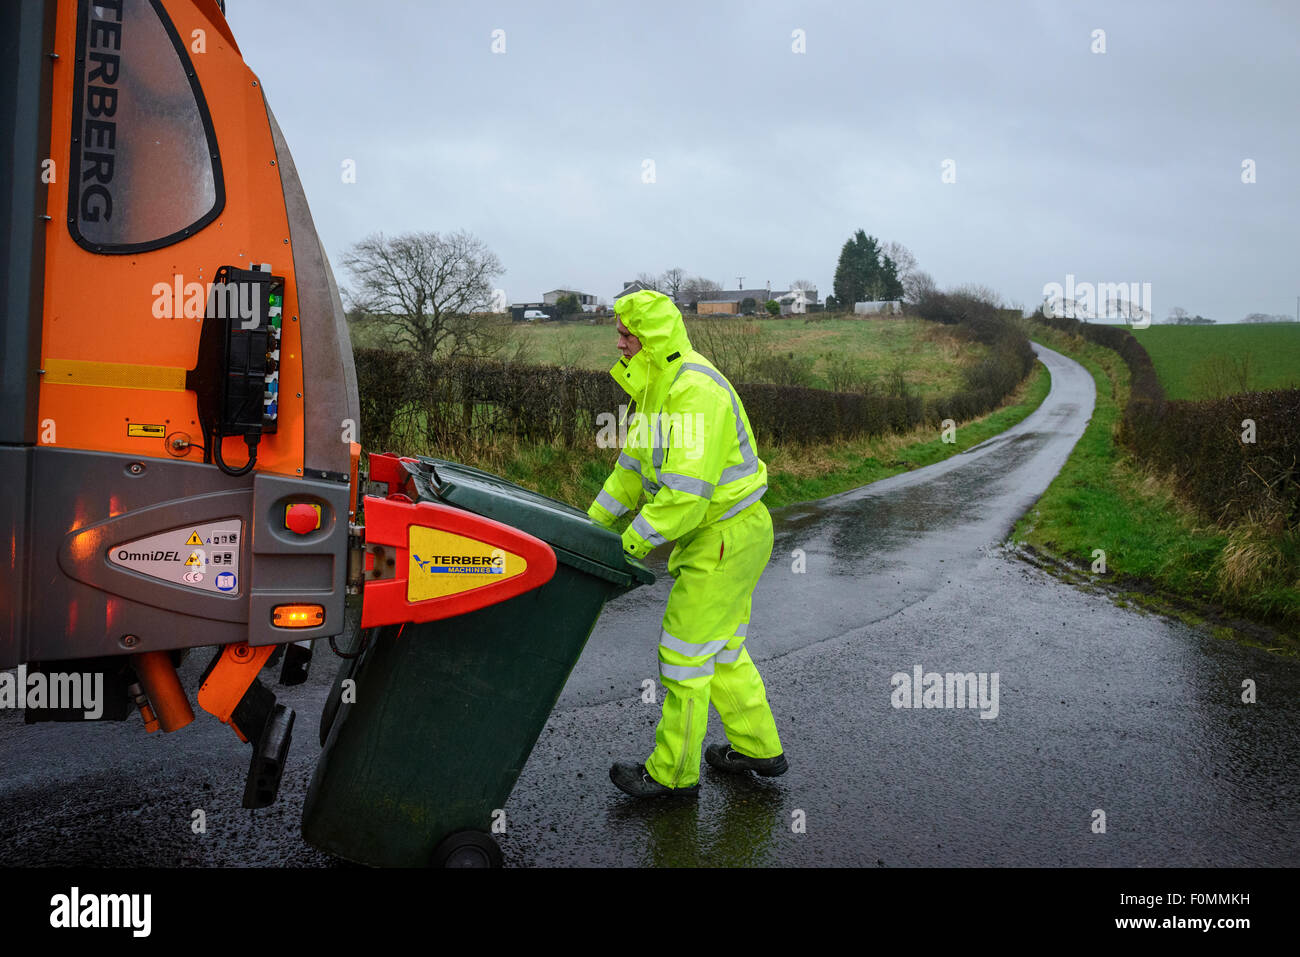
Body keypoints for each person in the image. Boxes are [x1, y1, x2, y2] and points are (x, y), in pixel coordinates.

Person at [587, 289, 787, 797]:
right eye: (619, 333)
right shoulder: (660, 388)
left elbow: (683, 498)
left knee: (683, 657)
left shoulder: (694, 393)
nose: (620, 343)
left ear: (653, 337)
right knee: (719, 650)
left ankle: (673, 776)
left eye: (628, 334)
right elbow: (630, 472)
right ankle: (759, 747)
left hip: (723, 536)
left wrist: (625, 545)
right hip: (731, 534)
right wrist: (589, 528)